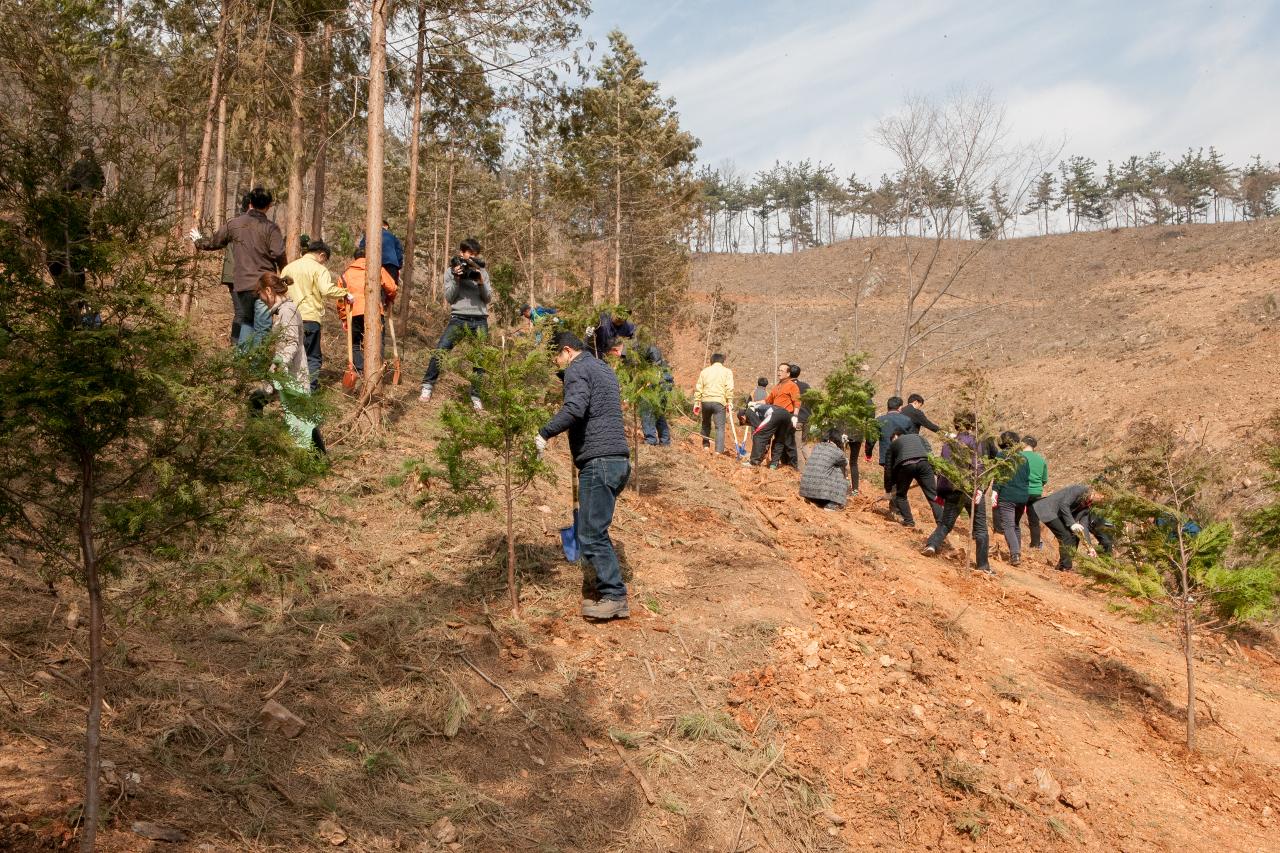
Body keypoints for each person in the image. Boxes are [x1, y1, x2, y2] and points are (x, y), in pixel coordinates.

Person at [535, 331, 631, 621]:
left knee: (590, 533)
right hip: (617, 462)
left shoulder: (578, 368)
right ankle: (600, 583)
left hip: (599, 462)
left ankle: (614, 596)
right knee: (596, 529)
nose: (560, 364)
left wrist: (544, 432)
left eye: (558, 358)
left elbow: (575, 408)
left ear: (567, 351)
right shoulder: (602, 367)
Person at [192, 186, 286, 351]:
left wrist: (199, 240)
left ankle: (242, 367)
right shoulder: (271, 228)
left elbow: (213, 242)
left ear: (250, 203)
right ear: (269, 205)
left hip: (241, 285)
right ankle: (254, 370)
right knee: (262, 327)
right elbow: (279, 254)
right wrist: (284, 277)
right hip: (264, 286)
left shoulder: (234, 224)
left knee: (247, 323)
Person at [254, 272, 324, 452]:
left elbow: (291, 342)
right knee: (299, 416)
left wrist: (280, 365)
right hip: (284, 372)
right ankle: (317, 457)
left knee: (300, 417)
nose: (261, 300)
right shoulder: (284, 310)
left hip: (289, 373)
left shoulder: (287, 310)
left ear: (268, 291)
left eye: (261, 295)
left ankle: (315, 457)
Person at [419, 238, 492, 408]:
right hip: (458, 318)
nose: (472, 258)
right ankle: (427, 386)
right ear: (462, 253)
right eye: (470, 254)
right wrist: (457, 279)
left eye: (475, 255)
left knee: (480, 359)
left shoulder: (482, 272)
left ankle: (476, 396)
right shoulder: (451, 271)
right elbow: (450, 298)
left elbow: (487, 298)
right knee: (441, 350)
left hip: (480, 320)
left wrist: (480, 282)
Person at [924, 415, 992, 572]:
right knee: (980, 528)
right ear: (972, 425)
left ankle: (932, 545)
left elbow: (942, 467)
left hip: (951, 488)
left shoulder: (948, 443)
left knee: (946, 523)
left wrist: (940, 492)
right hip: (970, 489)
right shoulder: (974, 442)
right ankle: (983, 565)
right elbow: (978, 466)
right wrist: (980, 488)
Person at [280, 240, 347, 391]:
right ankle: (308, 389)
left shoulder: (288, 268)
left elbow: (280, 291)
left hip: (288, 317)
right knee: (312, 356)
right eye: (325, 259)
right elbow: (326, 290)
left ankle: (289, 388)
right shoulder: (319, 269)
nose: (324, 263)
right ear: (322, 255)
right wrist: (345, 293)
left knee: (291, 353)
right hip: (309, 317)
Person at [336, 247, 397, 376]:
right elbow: (392, 287)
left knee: (355, 343)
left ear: (355, 258)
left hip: (354, 312)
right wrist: (389, 299)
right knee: (378, 341)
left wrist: (343, 318)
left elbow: (340, 298)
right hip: (375, 311)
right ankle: (376, 371)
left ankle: (360, 369)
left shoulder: (345, 274)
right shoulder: (377, 269)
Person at [1033, 484, 1108, 571]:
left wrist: (1089, 547)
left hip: (1059, 514)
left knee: (1075, 536)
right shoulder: (1080, 489)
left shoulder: (1089, 505)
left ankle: (1063, 564)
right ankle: (1065, 567)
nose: (1102, 500)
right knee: (1065, 536)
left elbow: (1084, 527)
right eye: (1102, 497)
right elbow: (1064, 504)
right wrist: (1072, 523)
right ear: (1097, 492)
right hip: (1047, 509)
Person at [886, 428, 942, 528]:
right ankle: (942, 524)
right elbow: (929, 452)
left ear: (897, 436)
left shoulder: (892, 445)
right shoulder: (919, 437)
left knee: (901, 495)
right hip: (924, 464)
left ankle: (909, 522)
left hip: (905, 466)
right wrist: (935, 470)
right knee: (933, 496)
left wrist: (888, 490)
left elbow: (888, 469)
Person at [993, 433, 1031, 566]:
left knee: (1008, 526)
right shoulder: (1024, 458)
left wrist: (995, 491)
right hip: (1022, 496)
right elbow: (1027, 479)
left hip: (1007, 495)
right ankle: (1017, 552)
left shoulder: (1001, 455)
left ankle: (1015, 554)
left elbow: (998, 476)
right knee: (1015, 525)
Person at [875, 397, 915, 502]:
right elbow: (912, 438)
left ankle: (893, 504)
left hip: (886, 454)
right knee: (900, 481)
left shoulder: (879, 420)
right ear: (900, 407)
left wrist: (868, 452)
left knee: (890, 478)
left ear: (888, 407)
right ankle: (897, 506)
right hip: (903, 455)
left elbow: (871, 439)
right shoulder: (907, 420)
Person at [799, 430, 850, 511]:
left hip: (806, 493)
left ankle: (816, 499)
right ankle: (835, 502)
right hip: (822, 495)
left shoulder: (817, 446)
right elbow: (845, 463)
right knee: (840, 467)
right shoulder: (837, 452)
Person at [693, 353, 734, 453]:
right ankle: (718, 451)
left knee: (706, 424)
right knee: (719, 427)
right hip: (719, 402)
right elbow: (729, 388)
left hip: (705, 401)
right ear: (722, 361)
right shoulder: (727, 372)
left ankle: (706, 446)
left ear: (711, 361)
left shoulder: (704, 371)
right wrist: (729, 401)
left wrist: (697, 402)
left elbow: (699, 387)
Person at [764, 363, 801, 468]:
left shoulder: (792, 386)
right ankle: (776, 462)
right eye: (778, 370)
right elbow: (768, 401)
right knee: (777, 440)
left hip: (787, 416)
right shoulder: (777, 387)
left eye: (781, 371)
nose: (779, 372)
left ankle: (793, 466)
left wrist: (795, 416)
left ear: (788, 373)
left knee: (789, 442)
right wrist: (755, 403)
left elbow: (797, 401)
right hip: (776, 416)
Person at [638, 342, 673, 446]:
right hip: (662, 394)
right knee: (659, 416)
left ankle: (651, 440)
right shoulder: (663, 365)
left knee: (647, 415)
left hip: (655, 394)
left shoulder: (656, 366)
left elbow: (663, 382)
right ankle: (665, 441)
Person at [1021, 436, 1048, 550]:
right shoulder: (1041, 460)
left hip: (1021, 490)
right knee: (1034, 521)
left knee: (1014, 518)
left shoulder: (1019, 457)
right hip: (1036, 493)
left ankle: (1014, 544)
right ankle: (1035, 545)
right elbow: (1044, 479)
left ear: (1024, 444)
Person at [357, 219, 405, 283]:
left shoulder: (369, 234)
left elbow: (361, 249)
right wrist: (398, 266)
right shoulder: (392, 236)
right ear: (386, 226)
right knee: (390, 288)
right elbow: (399, 252)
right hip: (390, 265)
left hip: (373, 264)